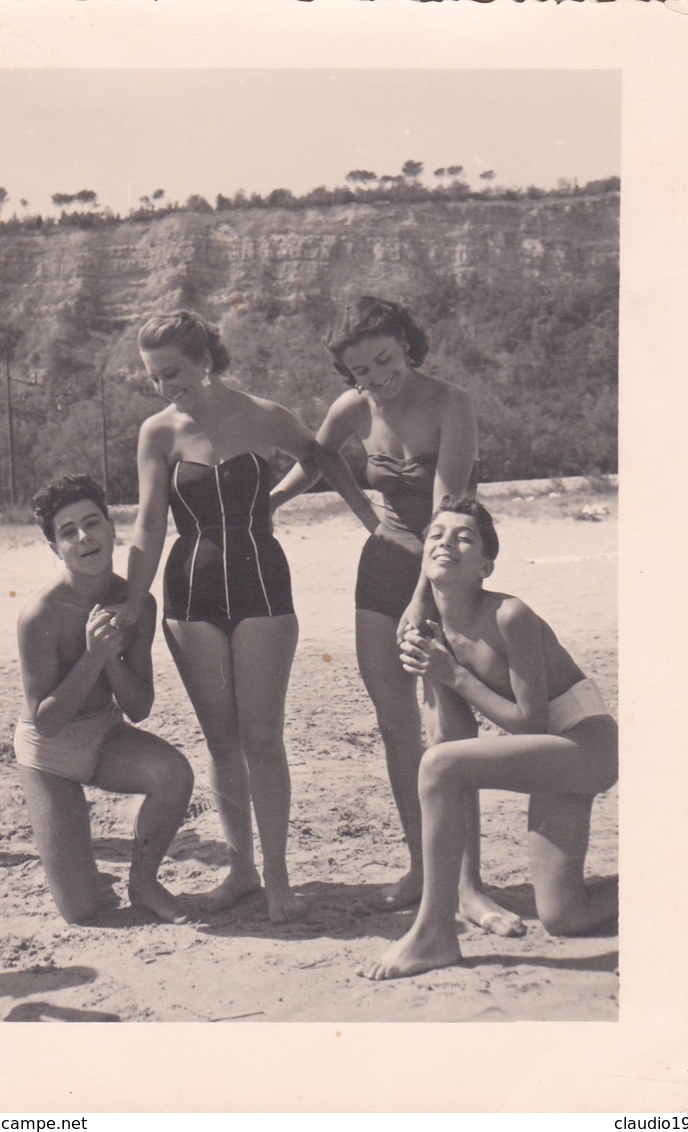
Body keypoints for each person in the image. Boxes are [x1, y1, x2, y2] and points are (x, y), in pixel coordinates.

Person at [272, 297, 521, 932]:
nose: (376, 378)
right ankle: (423, 869)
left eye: (384, 360)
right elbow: (318, 456)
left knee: (448, 736)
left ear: (406, 343)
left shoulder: (449, 402)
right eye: (360, 370)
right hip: (380, 568)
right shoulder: (353, 408)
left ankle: (470, 886)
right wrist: (272, 503)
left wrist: (421, 601)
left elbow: (449, 511)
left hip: (444, 575)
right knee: (394, 726)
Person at [108, 310, 317, 923]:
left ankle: (279, 879)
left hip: (263, 587)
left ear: (206, 359)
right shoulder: (157, 432)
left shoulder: (265, 415)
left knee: (263, 739)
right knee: (222, 743)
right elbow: (149, 524)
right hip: (189, 593)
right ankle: (242, 871)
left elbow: (317, 457)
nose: (164, 386)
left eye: (172, 372)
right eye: (153, 377)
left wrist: (274, 498)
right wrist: (130, 599)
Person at [360, 498, 619, 980]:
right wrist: (441, 674)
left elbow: (529, 723)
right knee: (566, 915)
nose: (446, 542)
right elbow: (454, 736)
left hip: (586, 744)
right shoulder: (433, 628)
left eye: (464, 537)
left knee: (438, 768)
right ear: (422, 558)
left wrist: (453, 675)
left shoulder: (509, 616)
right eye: (436, 534)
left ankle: (434, 934)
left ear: (485, 566)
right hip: (548, 759)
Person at [14, 473, 194, 926]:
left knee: (173, 774)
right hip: (47, 755)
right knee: (81, 911)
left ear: (113, 529)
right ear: (56, 549)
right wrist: (94, 657)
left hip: (104, 734)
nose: (83, 538)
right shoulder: (40, 613)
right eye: (67, 532)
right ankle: (80, 867)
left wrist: (112, 656)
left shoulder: (136, 603)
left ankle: (144, 882)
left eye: (92, 523)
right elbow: (46, 722)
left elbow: (139, 708)